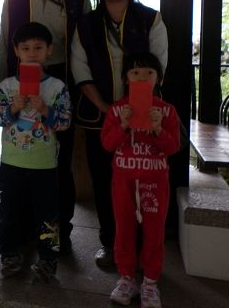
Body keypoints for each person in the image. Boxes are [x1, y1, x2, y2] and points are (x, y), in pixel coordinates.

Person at [0, 0, 91, 255]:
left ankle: (59, 231)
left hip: (60, 83)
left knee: (60, 162)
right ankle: (25, 230)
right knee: (22, 163)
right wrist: (5, 88)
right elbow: (5, 41)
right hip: (21, 85)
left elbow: (84, 45)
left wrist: (81, 89)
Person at [70, 0, 168, 268]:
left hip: (142, 118)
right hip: (99, 117)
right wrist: (105, 108)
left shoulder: (151, 18)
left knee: (141, 183)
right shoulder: (85, 23)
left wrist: (137, 107)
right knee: (103, 182)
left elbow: (159, 65)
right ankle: (110, 243)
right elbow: (79, 67)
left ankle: (140, 247)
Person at [0, 22, 72, 282]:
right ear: (16, 51)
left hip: (45, 163)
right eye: (25, 48)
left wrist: (45, 109)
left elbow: (65, 122)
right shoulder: (7, 86)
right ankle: (9, 254)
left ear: (49, 50)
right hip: (12, 161)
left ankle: (48, 259)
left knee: (48, 215)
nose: (32, 53)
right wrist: (13, 108)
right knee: (9, 211)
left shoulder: (57, 87)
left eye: (38, 47)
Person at [101, 52, 179, 308]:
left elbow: (173, 147)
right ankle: (126, 278)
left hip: (155, 183)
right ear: (126, 79)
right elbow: (107, 144)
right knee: (124, 229)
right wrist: (123, 125)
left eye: (149, 73)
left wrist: (158, 129)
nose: (142, 78)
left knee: (154, 232)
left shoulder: (167, 111)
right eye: (135, 73)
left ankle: (150, 281)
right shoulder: (116, 110)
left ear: (159, 79)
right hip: (123, 183)